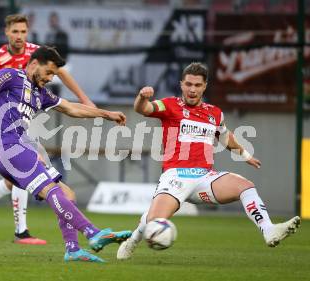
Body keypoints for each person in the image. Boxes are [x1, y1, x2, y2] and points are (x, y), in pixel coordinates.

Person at [0, 46, 132, 262]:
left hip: (23, 148)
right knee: (52, 190)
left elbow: (72, 108)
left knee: (67, 194)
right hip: (9, 149)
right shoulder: (10, 76)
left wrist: (106, 114)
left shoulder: (40, 93)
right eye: (49, 72)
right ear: (34, 64)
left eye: (54, 74)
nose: (51, 78)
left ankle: (73, 249)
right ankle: (93, 233)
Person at [117, 62, 301, 260]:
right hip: (175, 177)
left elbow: (224, 136)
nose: (192, 89)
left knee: (245, 186)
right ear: (181, 84)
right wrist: (142, 97)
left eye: (197, 85)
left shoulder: (214, 113)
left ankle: (268, 230)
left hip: (205, 177)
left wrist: (245, 155)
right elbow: (144, 108)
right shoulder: (169, 105)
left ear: (205, 86)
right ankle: (133, 240)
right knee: (154, 222)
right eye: (188, 84)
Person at [0, 14, 96, 245]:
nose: (20, 36)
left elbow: (61, 72)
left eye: (23, 32)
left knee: (17, 177)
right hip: (0, 118)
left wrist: (85, 100)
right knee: (30, 164)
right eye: (15, 32)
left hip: (24, 118)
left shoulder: (36, 53)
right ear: (7, 32)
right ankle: (21, 231)